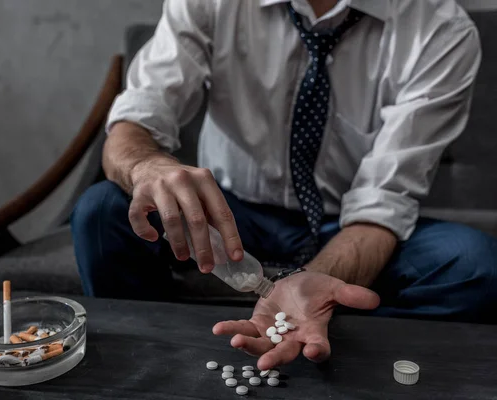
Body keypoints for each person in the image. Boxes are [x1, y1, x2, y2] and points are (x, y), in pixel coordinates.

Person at [71, 0, 497, 370]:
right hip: (231, 214)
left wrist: (313, 280)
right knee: (103, 210)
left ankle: (340, 350)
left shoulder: (441, 29)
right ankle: (158, 353)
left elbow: (381, 206)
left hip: (349, 224)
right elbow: (135, 122)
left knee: (472, 265)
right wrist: (147, 166)